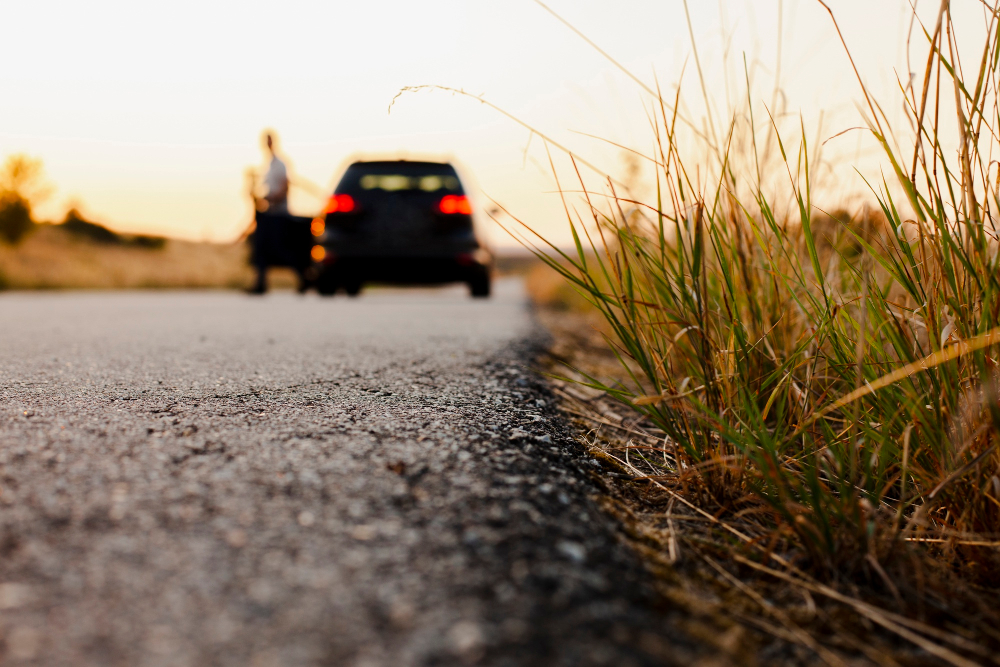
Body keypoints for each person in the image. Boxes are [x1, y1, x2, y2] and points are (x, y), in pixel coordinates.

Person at [249, 131, 309, 294]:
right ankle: (260, 284)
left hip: (279, 214)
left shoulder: (280, 164)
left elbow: (284, 187)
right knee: (261, 247)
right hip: (268, 213)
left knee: (279, 249)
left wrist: (272, 198)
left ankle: (304, 278)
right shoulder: (268, 165)